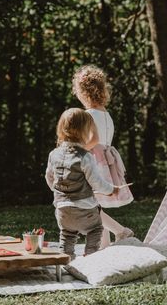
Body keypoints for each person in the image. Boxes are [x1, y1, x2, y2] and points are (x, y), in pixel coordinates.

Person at [72, 65, 134, 248]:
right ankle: (103, 245)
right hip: (105, 161)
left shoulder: (88, 115)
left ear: (85, 93)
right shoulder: (106, 114)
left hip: (94, 162)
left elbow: (92, 141)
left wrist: (77, 148)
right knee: (96, 204)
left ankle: (120, 231)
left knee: (87, 205)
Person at [45, 107, 119, 259]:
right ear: (85, 130)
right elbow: (97, 183)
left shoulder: (53, 154)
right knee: (97, 228)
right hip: (84, 209)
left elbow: (49, 177)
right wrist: (111, 190)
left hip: (62, 210)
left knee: (67, 234)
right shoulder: (85, 156)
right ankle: (90, 258)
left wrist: (58, 191)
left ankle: (66, 260)